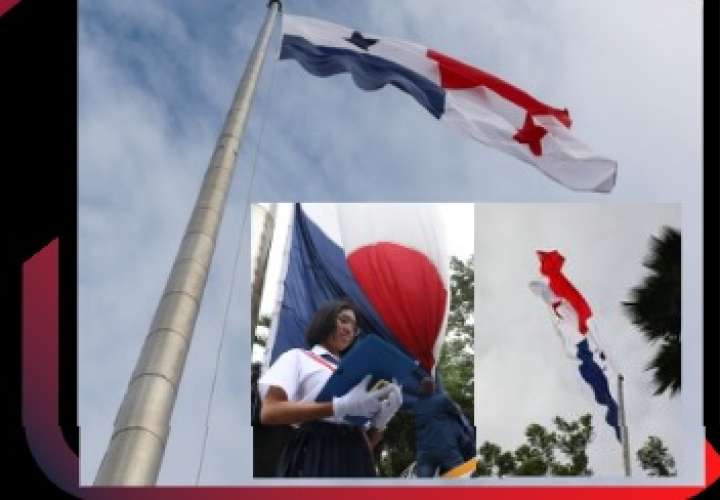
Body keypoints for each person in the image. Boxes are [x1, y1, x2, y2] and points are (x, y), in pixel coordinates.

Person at [258, 299, 403, 477]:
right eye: (343, 320)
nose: (349, 329)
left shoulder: (359, 375)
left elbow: (368, 443)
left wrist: (381, 422)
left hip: (356, 456)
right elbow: (270, 411)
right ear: (324, 320)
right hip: (314, 450)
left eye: (354, 327)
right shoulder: (298, 357)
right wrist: (337, 407)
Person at [413, 377, 475, 477]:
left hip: (425, 451)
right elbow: (457, 410)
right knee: (461, 477)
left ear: (421, 388)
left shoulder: (417, 405)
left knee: (423, 484)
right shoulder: (442, 399)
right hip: (445, 448)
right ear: (433, 388)